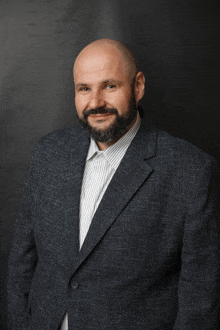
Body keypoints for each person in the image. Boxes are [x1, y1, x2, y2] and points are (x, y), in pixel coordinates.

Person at [7, 39, 220, 330]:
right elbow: (23, 257)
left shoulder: (190, 171)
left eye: (109, 86)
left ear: (138, 86)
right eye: (84, 88)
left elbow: (201, 296)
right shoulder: (49, 152)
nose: (95, 103)